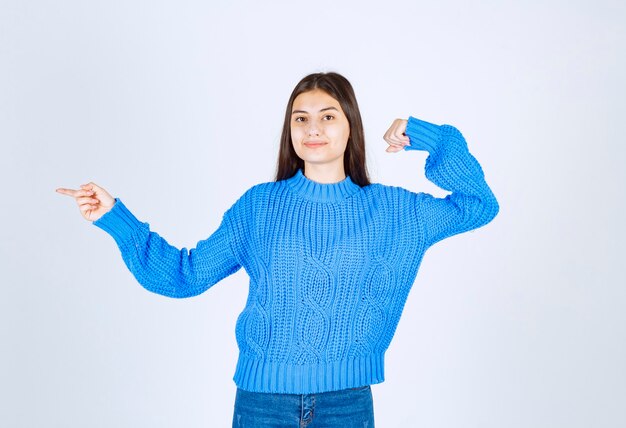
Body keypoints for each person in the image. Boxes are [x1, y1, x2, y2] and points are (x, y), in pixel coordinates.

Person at [57, 71, 499, 427]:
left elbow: (479, 205)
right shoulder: (259, 207)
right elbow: (183, 276)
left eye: (328, 117)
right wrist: (116, 219)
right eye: (300, 118)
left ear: (351, 126)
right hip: (261, 406)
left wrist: (432, 138)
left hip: (347, 405)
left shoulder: (394, 211)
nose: (313, 129)